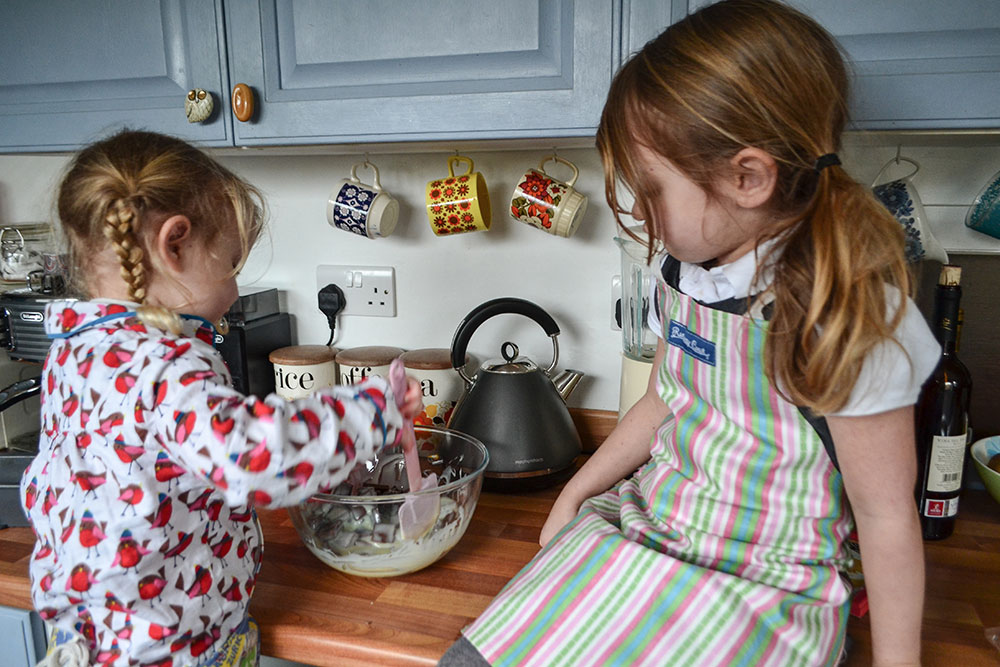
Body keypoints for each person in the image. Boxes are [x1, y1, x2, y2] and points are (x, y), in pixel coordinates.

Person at [442, 1, 938, 665]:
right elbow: (665, 400)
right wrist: (577, 490)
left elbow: (886, 518)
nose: (643, 217)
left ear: (749, 177)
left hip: (762, 584)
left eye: (653, 194)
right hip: (655, 532)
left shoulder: (846, 315)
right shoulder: (688, 273)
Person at [19, 129, 423, 667]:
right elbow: (254, 455)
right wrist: (376, 411)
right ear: (175, 245)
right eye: (231, 264)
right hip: (173, 647)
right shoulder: (165, 365)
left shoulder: (75, 351)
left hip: (94, 637)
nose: (234, 291)